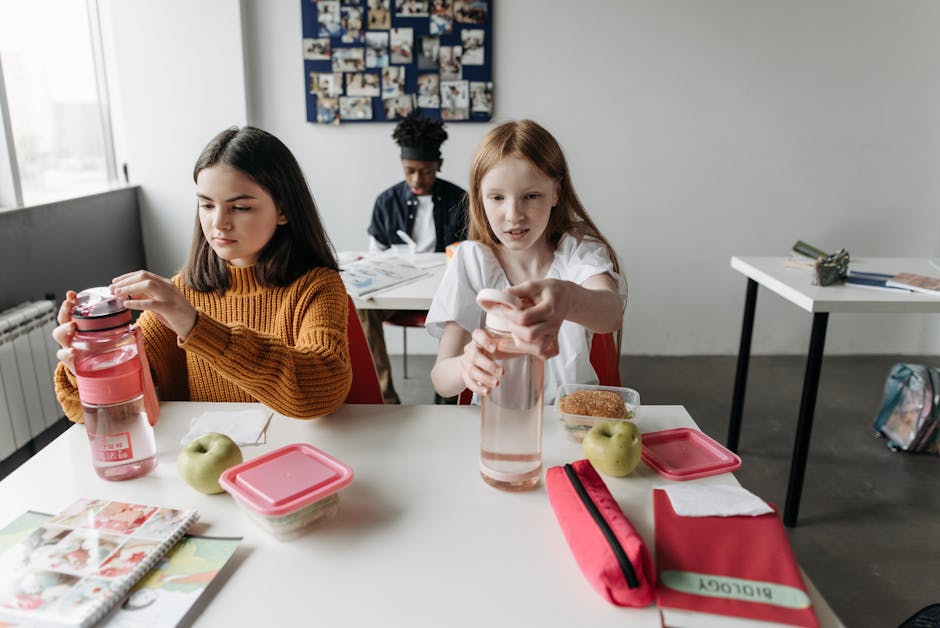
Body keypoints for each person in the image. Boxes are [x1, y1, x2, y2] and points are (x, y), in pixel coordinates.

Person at [53, 126, 351, 422]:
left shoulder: (317, 287)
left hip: (295, 458)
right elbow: (101, 409)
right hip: (209, 464)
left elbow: (319, 392)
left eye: (241, 207)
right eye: (206, 205)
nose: (219, 222)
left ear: (283, 210)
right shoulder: (182, 292)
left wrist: (196, 326)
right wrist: (86, 360)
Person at [426, 119, 627, 404]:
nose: (513, 215)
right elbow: (442, 381)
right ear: (480, 198)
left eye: (531, 196)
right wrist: (464, 366)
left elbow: (610, 314)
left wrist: (569, 299)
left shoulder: (578, 250)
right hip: (497, 429)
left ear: (556, 192)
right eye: (496, 197)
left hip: (568, 422)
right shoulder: (471, 260)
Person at [361, 113, 467, 404]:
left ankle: (448, 396)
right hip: (397, 293)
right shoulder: (386, 201)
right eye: (410, 171)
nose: (417, 179)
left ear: (439, 166)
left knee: (466, 311)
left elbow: (469, 257)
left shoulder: (460, 200)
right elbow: (375, 255)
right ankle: (384, 397)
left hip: (443, 294)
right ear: (402, 165)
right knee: (361, 312)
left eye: (426, 172)